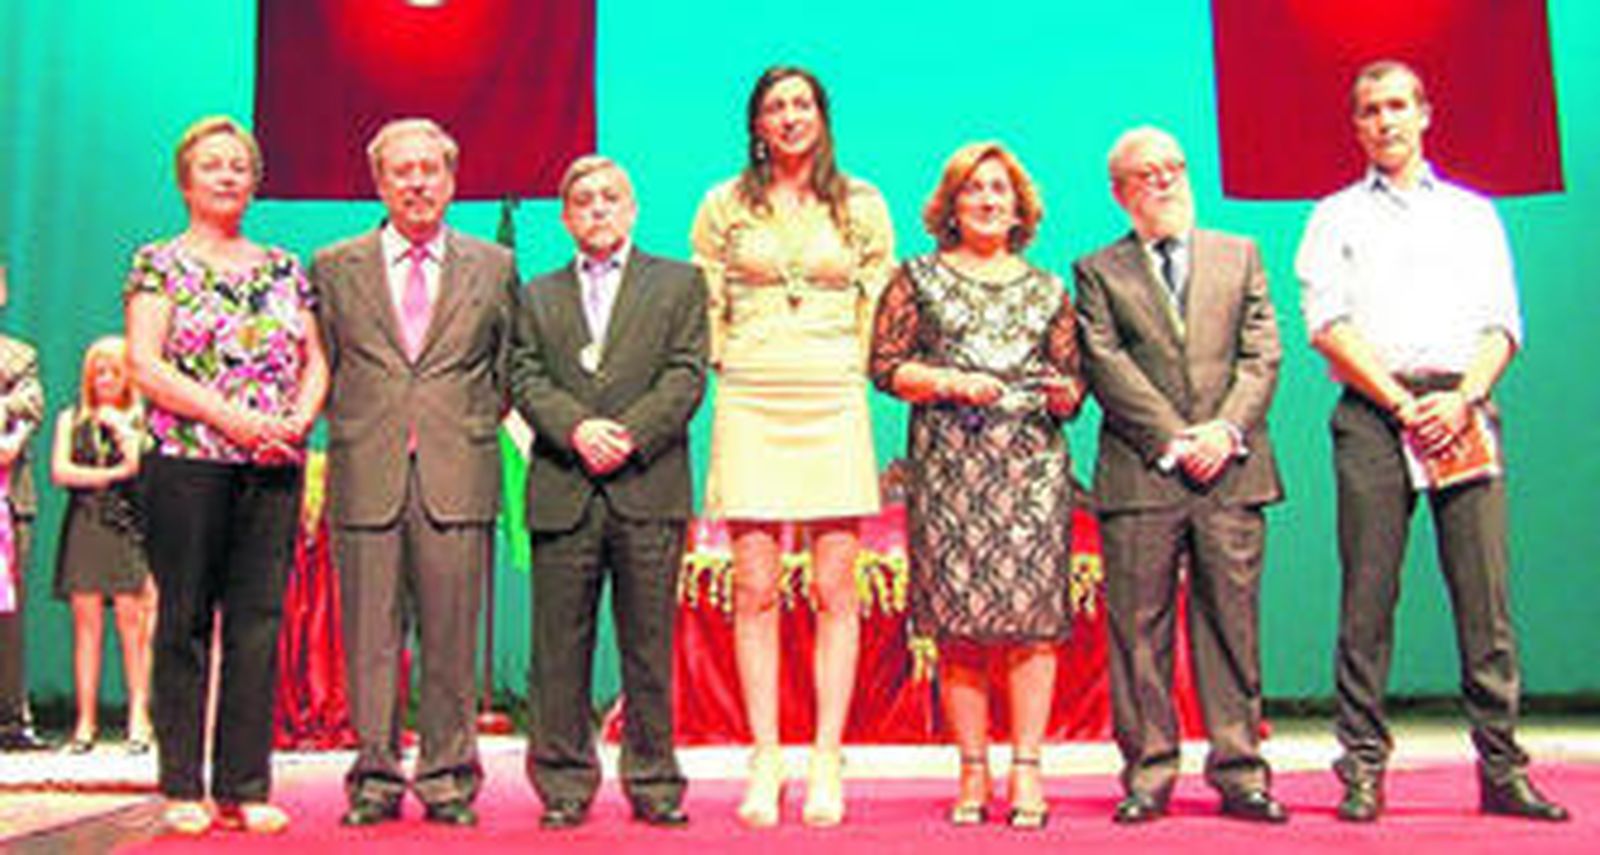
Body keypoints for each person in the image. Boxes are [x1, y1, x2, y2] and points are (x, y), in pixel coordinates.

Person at [1295, 59, 1568, 823]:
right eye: (1370, 110)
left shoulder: (1473, 215)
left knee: (1485, 598)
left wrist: (1462, 397)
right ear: (1356, 126)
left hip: (1462, 405)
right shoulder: (1334, 216)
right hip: (1375, 414)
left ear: (1425, 114)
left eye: (1396, 106)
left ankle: (1503, 767)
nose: (1384, 121)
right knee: (1368, 598)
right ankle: (1361, 768)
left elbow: (1502, 322)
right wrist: (1401, 402)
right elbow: (1328, 325)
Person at [689, 65, 894, 827]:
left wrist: (854, 368)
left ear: (821, 117)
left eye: (801, 104)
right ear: (757, 123)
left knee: (837, 587)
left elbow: (880, 294)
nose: (789, 115)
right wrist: (727, 361)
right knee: (754, 586)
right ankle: (765, 752)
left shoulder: (864, 203)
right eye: (776, 106)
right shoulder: (723, 203)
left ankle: (826, 756)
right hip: (751, 392)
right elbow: (706, 294)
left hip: (832, 395)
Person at [1075, 126, 1287, 825]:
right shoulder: (1099, 270)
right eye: (1146, 173)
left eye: (1173, 167)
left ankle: (1241, 771)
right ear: (1120, 192)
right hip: (1142, 473)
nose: (1164, 181)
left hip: (1232, 472)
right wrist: (1173, 438)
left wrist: (1223, 432)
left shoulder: (1240, 253)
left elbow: (1262, 354)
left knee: (1233, 626)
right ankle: (1148, 772)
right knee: (1139, 631)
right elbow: (1106, 363)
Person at [869, 142, 1083, 830]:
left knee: (1031, 624)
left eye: (1000, 190)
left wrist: (1062, 395)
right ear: (951, 205)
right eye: (974, 190)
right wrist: (952, 382)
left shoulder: (1050, 288)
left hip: (1031, 470)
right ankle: (971, 770)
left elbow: (1076, 386)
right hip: (951, 467)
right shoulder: (916, 277)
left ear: (1020, 206)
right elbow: (886, 366)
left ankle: (1026, 767)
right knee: (958, 625)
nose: (989, 200)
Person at [125, 115, 328, 835]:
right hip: (187, 460)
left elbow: (316, 361)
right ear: (186, 179)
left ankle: (245, 783)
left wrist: (295, 423)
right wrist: (233, 420)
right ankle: (182, 781)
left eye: (239, 164)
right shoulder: (159, 262)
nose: (228, 175)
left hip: (272, 464)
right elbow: (147, 364)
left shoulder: (283, 266)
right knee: (183, 619)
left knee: (258, 623)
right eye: (213, 164)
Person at [314, 117, 516, 829]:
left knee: (452, 638)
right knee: (370, 638)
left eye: (430, 169)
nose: (418, 182)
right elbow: (323, 366)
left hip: (456, 473)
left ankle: (449, 778)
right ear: (378, 181)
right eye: (402, 170)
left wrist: (453, 430)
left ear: (452, 179)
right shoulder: (334, 265)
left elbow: (507, 371)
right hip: (365, 473)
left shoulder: (492, 265)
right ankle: (373, 777)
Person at [511, 155, 707, 829]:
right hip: (564, 488)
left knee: (649, 646)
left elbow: (686, 376)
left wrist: (626, 433)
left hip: (647, 486)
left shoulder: (680, 284)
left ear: (632, 210)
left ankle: (654, 782)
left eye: (610, 197)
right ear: (566, 217)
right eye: (584, 200)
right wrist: (576, 429)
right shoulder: (535, 295)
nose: (597, 208)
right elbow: (525, 375)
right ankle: (563, 784)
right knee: (558, 649)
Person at [50, 336, 155, 755]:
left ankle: (139, 718)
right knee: (87, 626)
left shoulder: (141, 419)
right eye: (99, 372)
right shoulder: (70, 418)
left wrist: (120, 429)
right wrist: (107, 476)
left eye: (114, 371)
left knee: (134, 626)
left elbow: (138, 466)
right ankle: (85, 722)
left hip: (127, 525)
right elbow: (61, 471)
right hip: (85, 524)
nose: (106, 379)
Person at [0, 262, 48, 754]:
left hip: (8, 499)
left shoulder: (19, 354)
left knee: (7, 612)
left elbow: (28, 402)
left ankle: (11, 717)